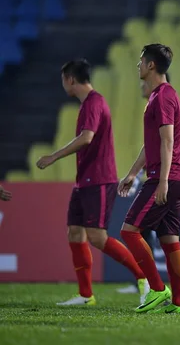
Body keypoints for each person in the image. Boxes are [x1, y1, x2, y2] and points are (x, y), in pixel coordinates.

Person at [36, 59, 148, 306]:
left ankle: (143, 278)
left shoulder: (94, 102)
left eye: (63, 80)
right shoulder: (89, 103)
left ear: (71, 79)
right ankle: (86, 295)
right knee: (75, 233)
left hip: (98, 179)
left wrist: (54, 156)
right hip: (84, 180)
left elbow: (87, 137)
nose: (63, 84)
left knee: (97, 237)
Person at [118, 44, 180, 314]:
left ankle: (158, 290)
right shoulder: (159, 96)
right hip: (172, 177)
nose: (137, 65)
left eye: (140, 61)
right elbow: (152, 144)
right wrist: (133, 172)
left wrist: (162, 181)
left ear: (150, 66)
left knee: (129, 231)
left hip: (165, 177)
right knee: (170, 241)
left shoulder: (163, 97)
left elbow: (167, 140)